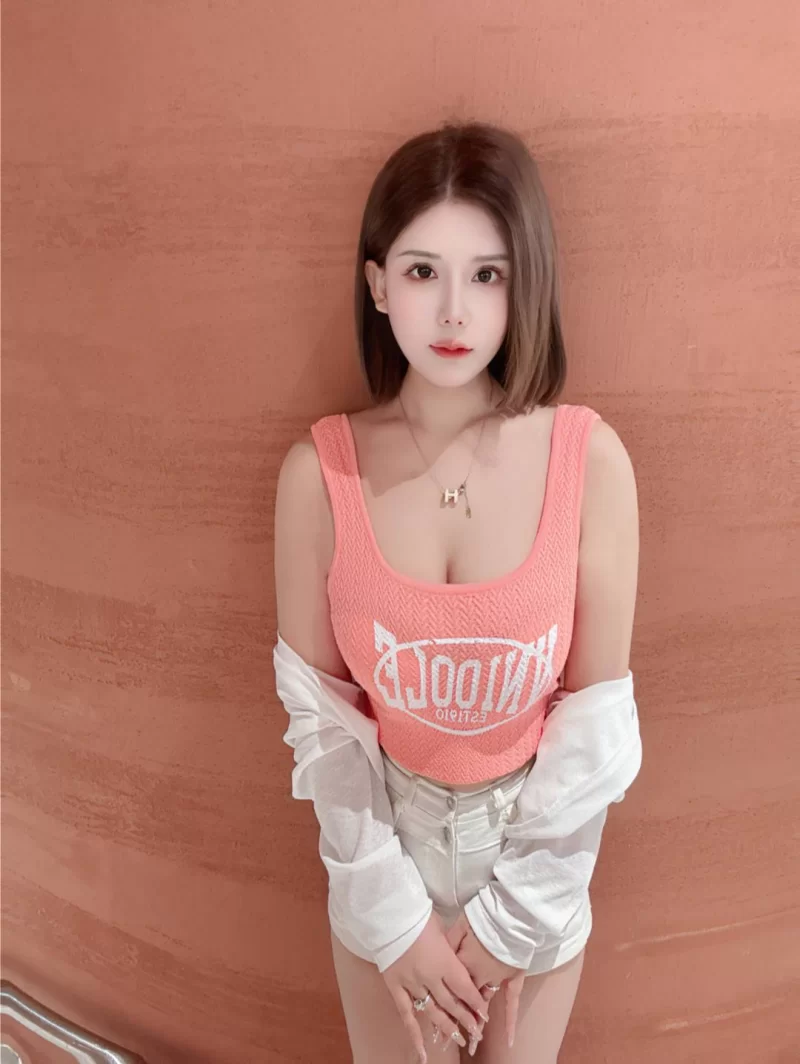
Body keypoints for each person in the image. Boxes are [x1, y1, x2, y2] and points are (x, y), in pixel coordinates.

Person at [273, 119, 641, 1064]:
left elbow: (595, 721)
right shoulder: (320, 475)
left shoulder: (590, 462)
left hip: (537, 858)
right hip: (381, 862)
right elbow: (324, 722)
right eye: (421, 271)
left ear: (526, 284)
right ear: (377, 284)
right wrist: (392, 917)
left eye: (487, 275)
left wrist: (519, 918)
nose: (452, 312)